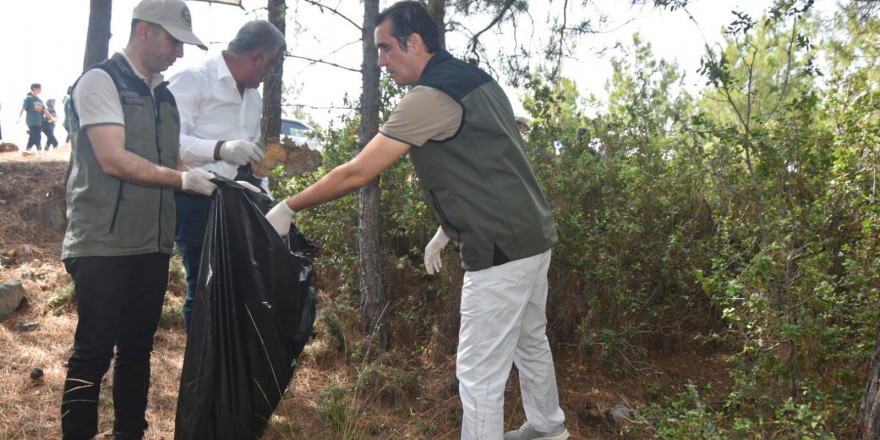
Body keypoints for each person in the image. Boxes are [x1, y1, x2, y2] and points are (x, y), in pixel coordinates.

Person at [264, 2, 568, 439]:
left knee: (478, 371)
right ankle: (547, 428)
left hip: (500, 248)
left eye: (386, 49)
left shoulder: (427, 98)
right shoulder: (478, 81)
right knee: (529, 339)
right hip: (533, 237)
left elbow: (358, 171)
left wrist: (289, 206)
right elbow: (493, 164)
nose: (381, 61)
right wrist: (447, 229)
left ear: (416, 43)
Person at [59, 0, 214, 438]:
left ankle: (130, 432)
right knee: (92, 352)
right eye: (173, 41)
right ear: (144, 31)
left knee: (137, 350)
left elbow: (175, 162)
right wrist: (182, 182)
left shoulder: (163, 95)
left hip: (152, 244)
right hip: (102, 245)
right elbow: (112, 158)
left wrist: (212, 178)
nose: (179, 53)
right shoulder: (100, 81)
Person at [167, 19, 284, 333]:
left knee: (236, 287)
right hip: (194, 196)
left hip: (237, 200)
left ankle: (227, 370)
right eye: (271, 64)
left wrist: (266, 196)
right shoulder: (194, 81)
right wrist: (220, 148)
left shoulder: (254, 98)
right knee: (204, 285)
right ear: (256, 57)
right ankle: (201, 375)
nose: (270, 72)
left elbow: (249, 157)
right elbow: (169, 145)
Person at [19, 83, 54, 153]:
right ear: (34, 89)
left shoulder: (39, 100)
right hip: (32, 121)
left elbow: (44, 110)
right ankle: (39, 150)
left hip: (39, 121)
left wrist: (51, 117)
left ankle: (27, 150)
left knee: (32, 137)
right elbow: (23, 108)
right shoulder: (29, 99)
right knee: (38, 136)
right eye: (39, 88)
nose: (40, 90)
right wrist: (19, 117)